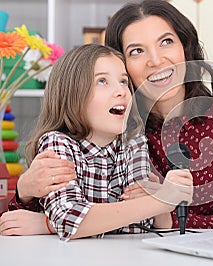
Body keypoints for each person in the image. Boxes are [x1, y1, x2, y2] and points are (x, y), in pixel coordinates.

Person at [0, 0, 213, 235]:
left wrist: (164, 215)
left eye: (166, 41)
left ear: (185, 47)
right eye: (136, 51)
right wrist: (26, 193)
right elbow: (32, 218)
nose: (156, 60)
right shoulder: (117, 128)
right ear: (121, 63)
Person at [0, 43, 193, 241]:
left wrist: (48, 223)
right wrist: (162, 200)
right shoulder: (57, 144)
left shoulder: (134, 144)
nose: (121, 91)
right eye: (102, 81)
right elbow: (70, 221)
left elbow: (139, 225)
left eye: (123, 82)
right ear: (71, 94)